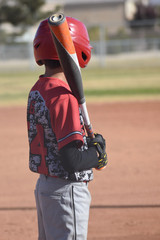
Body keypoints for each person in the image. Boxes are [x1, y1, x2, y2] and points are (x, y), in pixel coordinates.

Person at [27, 15, 107, 240]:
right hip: (67, 191)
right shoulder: (64, 97)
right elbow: (72, 160)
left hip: (46, 188)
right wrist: (97, 154)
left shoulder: (38, 90)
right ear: (76, 50)